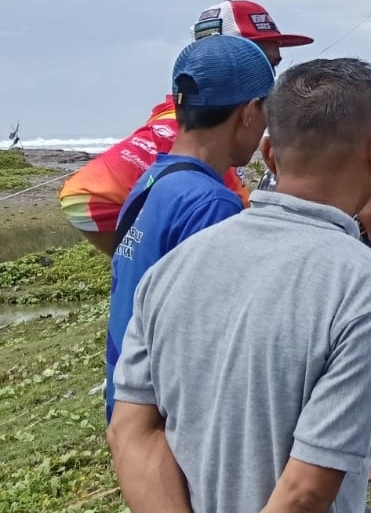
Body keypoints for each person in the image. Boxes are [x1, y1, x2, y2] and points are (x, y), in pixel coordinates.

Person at [107, 58, 371, 513]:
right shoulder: (369, 290)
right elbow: (305, 491)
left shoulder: (169, 271)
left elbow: (130, 430)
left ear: (268, 152)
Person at [104, 35, 275, 421]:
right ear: (249, 112)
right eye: (266, 115)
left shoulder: (152, 180)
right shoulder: (212, 204)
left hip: (128, 403)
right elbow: (213, 348)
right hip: (168, 420)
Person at [61, 0, 312, 254]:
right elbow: (80, 195)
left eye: (272, 66)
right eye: (260, 62)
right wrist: (142, 256)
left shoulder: (182, 152)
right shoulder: (204, 181)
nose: (270, 82)